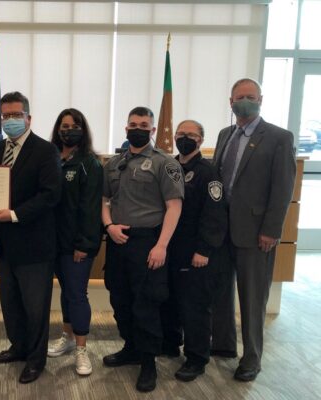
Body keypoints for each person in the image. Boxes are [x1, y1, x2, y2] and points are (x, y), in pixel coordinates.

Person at [212, 78, 296, 382]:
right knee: (220, 294)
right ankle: (222, 346)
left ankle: (251, 358)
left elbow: (283, 188)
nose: (244, 101)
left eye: (250, 96)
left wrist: (271, 230)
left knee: (252, 299)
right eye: (239, 97)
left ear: (261, 99)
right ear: (230, 101)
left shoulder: (278, 137)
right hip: (223, 233)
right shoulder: (224, 135)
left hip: (256, 233)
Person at [101, 106, 183, 393]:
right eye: (133, 123)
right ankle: (131, 349)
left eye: (144, 124)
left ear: (152, 130)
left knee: (146, 304)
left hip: (149, 242)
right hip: (118, 240)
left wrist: (162, 245)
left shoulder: (165, 163)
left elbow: (174, 206)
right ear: (126, 128)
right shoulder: (114, 163)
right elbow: (104, 199)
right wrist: (109, 225)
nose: (138, 128)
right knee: (120, 299)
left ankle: (149, 363)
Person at [0, 91, 62, 384]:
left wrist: (14, 214)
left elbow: (51, 195)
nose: (11, 120)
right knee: (10, 302)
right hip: (5, 243)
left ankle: (35, 359)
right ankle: (18, 347)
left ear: (29, 118)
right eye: (6, 115)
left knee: (35, 307)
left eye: (17, 115)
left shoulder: (46, 151)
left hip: (34, 243)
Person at [159, 120, 228, 382]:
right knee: (170, 300)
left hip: (194, 252)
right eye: (180, 134)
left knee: (194, 307)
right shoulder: (169, 166)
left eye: (190, 135)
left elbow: (215, 214)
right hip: (169, 249)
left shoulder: (208, 172)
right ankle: (170, 344)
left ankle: (197, 358)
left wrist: (204, 249)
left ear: (201, 140)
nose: (184, 138)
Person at [46, 108, 103, 376]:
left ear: (83, 129)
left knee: (77, 294)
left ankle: (82, 349)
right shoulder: (51, 158)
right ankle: (67, 338)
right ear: (58, 129)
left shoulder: (89, 163)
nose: (69, 130)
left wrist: (85, 244)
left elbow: (91, 209)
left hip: (78, 245)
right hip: (52, 242)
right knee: (66, 291)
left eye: (74, 125)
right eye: (64, 125)